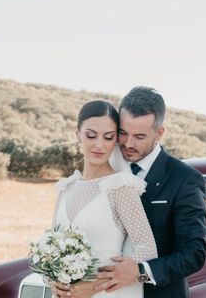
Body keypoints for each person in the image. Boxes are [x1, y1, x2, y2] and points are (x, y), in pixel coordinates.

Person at [94, 86, 206, 298]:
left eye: (139, 136)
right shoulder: (102, 168)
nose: (128, 143)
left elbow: (193, 254)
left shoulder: (185, 179)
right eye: (123, 133)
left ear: (159, 133)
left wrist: (140, 272)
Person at [49, 100, 157, 298]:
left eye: (108, 137)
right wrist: (51, 279)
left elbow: (148, 248)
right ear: (77, 134)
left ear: (115, 141)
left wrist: (96, 284)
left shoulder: (120, 187)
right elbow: (50, 245)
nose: (99, 145)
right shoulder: (66, 187)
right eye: (91, 135)